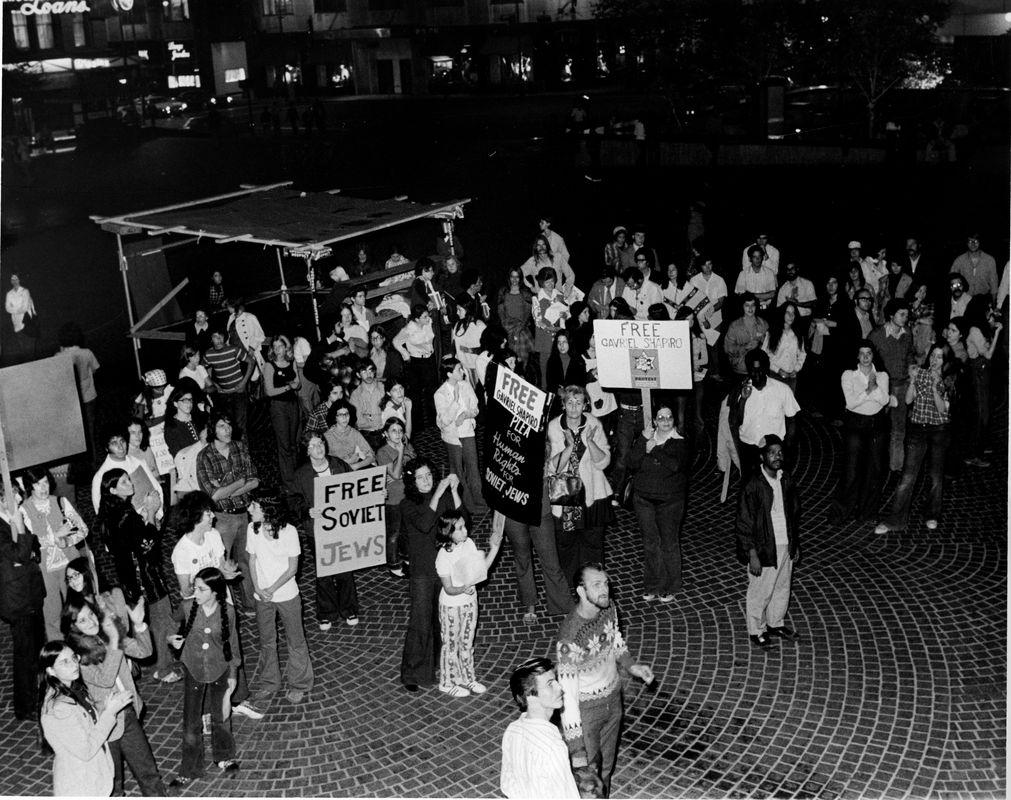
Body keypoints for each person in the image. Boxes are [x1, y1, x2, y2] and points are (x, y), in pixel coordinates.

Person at [556, 564, 654, 797]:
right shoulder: (570, 637)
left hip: (613, 702)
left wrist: (632, 665)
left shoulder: (609, 607)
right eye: (596, 585)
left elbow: (615, 640)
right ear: (581, 591)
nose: (605, 590)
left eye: (606, 583)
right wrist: (577, 749)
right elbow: (567, 697)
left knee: (606, 769)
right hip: (586, 713)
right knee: (588, 779)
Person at [63, 596, 168, 796]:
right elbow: (105, 679)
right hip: (103, 723)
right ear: (74, 626)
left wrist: (139, 624)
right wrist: (113, 642)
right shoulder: (77, 655)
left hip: (127, 714)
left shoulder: (108, 633)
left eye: (92, 614)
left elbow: (144, 651)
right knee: (113, 784)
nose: (92, 621)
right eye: (83, 620)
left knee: (149, 773)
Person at [167, 567, 242, 784]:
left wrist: (233, 674)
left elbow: (233, 644)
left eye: (201, 589)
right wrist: (171, 638)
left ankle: (224, 756)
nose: (195, 593)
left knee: (221, 717)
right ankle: (190, 768)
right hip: (194, 669)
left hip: (220, 668)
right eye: (195, 588)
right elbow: (170, 625)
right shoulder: (187, 606)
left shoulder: (227, 611)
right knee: (191, 722)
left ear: (215, 592)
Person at [874, 344, 960, 534]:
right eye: (933, 356)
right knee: (907, 475)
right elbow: (908, 401)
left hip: (939, 429)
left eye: (940, 357)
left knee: (935, 475)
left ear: (945, 361)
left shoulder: (949, 379)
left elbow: (942, 409)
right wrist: (913, 381)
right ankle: (895, 520)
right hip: (918, 428)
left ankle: (932, 514)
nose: (935, 360)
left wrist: (936, 387)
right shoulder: (920, 373)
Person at [38, 641, 134, 797]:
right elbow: (86, 750)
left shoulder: (72, 688)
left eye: (74, 658)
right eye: (65, 662)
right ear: (51, 670)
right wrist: (110, 713)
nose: (74, 664)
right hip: (80, 782)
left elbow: (88, 724)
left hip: (91, 774)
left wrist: (106, 708)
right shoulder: (59, 710)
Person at [400, 460, 463, 692]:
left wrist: (454, 491)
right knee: (420, 621)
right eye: (420, 477)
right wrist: (438, 493)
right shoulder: (407, 505)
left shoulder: (443, 497)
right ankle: (412, 672)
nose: (426, 480)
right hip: (422, 572)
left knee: (441, 620)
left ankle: (436, 664)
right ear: (412, 482)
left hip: (443, 569)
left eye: (429, 475)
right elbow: (426, 523)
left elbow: (461, 518)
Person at [245, 501, 313, 707]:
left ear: (267, 510)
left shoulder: (289, 531)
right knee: (266, 640)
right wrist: (257, 588)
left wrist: (272, 589)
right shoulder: (252, 528)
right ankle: (269, 681)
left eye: (254, 507)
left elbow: (293, 568)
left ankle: (299, 683)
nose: (249, 510)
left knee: (295, 640)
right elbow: (252, 560)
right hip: (262, 596)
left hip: (286, 594)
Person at [735, 435, 801, 650]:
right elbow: (744, 522)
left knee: (782, 587)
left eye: (780, 452)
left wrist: (795, 543)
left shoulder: (786, 479)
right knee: (761, 590)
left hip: (784, 544)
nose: (777, 456)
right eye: (771, 453)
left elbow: (793, 513)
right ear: (762, 456)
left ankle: (775, 622)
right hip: (764, 547)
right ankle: (756, 629)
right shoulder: (753, 485)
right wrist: (751, 553)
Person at [547, 386, 612, 586]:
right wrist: (569, 447)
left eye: (578, 403)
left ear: (585, 405)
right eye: (570, 403)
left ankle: (594, 586)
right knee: (566, 545)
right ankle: (570, 588)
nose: (574, 407)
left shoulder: (594, 424)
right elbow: (553, 467)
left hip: (592, 495)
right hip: (565, 495)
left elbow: (603, 462)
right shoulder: (553, 427)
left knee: (593, 544)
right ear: (563, 405)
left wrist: (591, 443)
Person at [434, 511, 504, 697]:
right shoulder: (443, 556)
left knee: (466, 642)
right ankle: (447, 682)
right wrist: (463, 588)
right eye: (460, 528)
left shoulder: (469, 544)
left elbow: (480, 571)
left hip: (470, 603)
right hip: (451, 606)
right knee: (451, 644)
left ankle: (466, 678)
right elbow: (448, 588)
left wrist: (494, 549)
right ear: (448, 532)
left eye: (465, 526)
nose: (465, 531)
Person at [294, 435, 360, 629]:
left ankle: (349, 608)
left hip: (341, 526)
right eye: (313, 445)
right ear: (307, 451)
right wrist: (306, 511)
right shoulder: (301, 474)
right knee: (324, 570)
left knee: (345, 568)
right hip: (316, 530)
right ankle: (326, 611)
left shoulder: (339, 465)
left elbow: (356, 487)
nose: (318, 448)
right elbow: (292, 499)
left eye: (320, 443)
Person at [196, 410, 259, 611]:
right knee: (220, 564)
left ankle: (251, 605)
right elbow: (212, 495)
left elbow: (255, 480)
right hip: (222, 518)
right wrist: (240, 482)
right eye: (222, 426)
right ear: (212, 430)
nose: (228, 429)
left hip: (243, 513)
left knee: (247, 561)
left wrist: (228, 489)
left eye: (229, 425)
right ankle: (223, 609)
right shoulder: (204, 456)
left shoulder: (240, 447)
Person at [20, 467, 91, 641]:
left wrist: (67, 541)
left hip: (70, 566)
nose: (43, 488)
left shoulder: (60, 502)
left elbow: (83, 529)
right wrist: (55, 537)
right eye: (37, 484)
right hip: (45, 571)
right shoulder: (23, 510)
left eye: (45, 482)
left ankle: (86, 645)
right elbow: (28, 546)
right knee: (51, 616)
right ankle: (60, 650)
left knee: (79, 608)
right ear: (30, 486)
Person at [628, 403, 689, 604]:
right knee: (650, 544)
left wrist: (653, 450)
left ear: (674, 420)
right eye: (660, 418)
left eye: (668, 417)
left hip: (670, 501)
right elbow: (632, 462)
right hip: (644, 499)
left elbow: (675, 465)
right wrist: (643, 441)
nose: (665, 421)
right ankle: (652, 584)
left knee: (669, 544)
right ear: (654, 421)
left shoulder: (679, 442)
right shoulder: (646, 437)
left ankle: (671, 585)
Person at [500, 657, 580, 799]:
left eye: (556, 680)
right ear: (530, 696)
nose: (560, 687)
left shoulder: (512, 730)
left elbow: (508, 784)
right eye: (550, 684)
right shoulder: (553, 748)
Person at [830, 341, 891, 524]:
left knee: (875, 469)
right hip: (855, 425)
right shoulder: (849, 375)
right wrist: (869, 390)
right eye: (862, 353)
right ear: (857, 356)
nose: (865, 357)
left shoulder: (882, 375)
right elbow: (850, 403)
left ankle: (868, 512)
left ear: (873, 356)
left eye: (869, 353)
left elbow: (884, 400)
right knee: (851, 469)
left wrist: (873, 390)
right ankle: (842, 512)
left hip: (877, 425)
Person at [1, 485, 45, 721]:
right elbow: (17, 554)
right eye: (13, 494)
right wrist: (19, 530)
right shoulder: (5, 525)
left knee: (36, 647)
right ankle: (25, 705)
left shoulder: (12, 518)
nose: (19, 497)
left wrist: (26, 550)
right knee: (24, 653)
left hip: (31, 591)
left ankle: (38, 694)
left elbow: (33, 547)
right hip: (16, 597)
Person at [728, 348, 800, 479]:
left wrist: (787, 449)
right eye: (752, 370)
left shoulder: (783, 390)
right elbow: (735, 421)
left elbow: (792, 421)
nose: (756, 375)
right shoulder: (740, 390)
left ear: (766, 369)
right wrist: (743, 399)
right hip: (749, 448)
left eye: (760, 370)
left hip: (774, 450)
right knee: (750, 487)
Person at [434, 357, 487, 516]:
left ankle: (480, 501)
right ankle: (467, 505)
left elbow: (476, 408)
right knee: (458, 471)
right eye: (459, 369)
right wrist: (456, 401)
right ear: (449, 373)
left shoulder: (466, 385)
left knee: (473, 469)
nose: (463, 372)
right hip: (452, 437)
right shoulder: (440, 394)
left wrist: (465, 414)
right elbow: (443, 421)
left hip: (468, 432)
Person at [869, 299, 916, 472]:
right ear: (891, 315)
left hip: (902, 385)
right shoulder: (877, 335)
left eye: (906, 314)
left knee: (899, 429)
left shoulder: (907, 333)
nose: (905, 318)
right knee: (878, 426)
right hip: (883, 387)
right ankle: (874, 464)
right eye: (901, 314)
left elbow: (910, 354)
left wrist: (912, 368)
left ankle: (896, 466)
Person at [962, 296, 1003, 467]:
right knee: (981, 412)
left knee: (985, 410)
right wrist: (997, 333)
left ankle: (980, 446)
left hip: (983, 371)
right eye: (987, 308)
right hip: (979, 371)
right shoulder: (975, 330)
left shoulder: (979, 328)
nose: (990, 311)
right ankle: (973, 453)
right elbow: (987, 354)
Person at [262, 335, 301, 509]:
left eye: (281, 346)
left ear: (286, 348)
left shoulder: (292, 362)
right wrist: (288, 386)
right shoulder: (269, 366)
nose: (278, 349)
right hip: (278, 407)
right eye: (275, 347)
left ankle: (296, 478)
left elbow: (298, 384)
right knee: (284, 446)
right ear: (272, 349)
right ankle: (288, 484)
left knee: (294, 444)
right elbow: (269, 391)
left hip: (293, 404)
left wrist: (294, 385)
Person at [376, 418, 416, 578]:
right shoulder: (383, 452)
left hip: (408, 495)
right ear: (385, 433)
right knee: (394, 532)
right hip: (393, 498)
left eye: (400, 430)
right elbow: (396, 474)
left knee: (407, 529)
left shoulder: (407, 446)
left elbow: (414, 466)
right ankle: (393, 563)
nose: (398, 434)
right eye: (393, 430)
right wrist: (400, 453)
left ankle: (406, 557)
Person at [57, 322, 100, 465]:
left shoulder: (58, 356)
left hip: (70, 401)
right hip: (89, 398)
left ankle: (77, 465)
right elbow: (95, 369)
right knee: (90, 432)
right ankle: (93, 462)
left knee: (74, 434)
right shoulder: (86, 353)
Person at [393, 304, 438, 433]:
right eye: (424, 317)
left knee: (432, 391)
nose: (427, 318)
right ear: (417, 319)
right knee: (416, 394)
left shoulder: (428, 322)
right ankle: (417, 426)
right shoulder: (409, 329)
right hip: (416, 362)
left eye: (427, 315)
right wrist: (405, 354)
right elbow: (396, 342)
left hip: (429, 360)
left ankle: (433, 421)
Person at [203, 329, 254, 436]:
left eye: (221, 336)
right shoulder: (208, 354)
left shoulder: (233, 349)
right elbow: (203, 369)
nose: (219, 339)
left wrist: (244, 383)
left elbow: (251, 362)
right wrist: (214, 384)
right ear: (211, 339)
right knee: (227, 426)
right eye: (215, 337)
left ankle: (243, 451)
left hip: (239, 393)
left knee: (241, 427)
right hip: (223, 394)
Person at [688, 254, 728, 375]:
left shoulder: (719, 280)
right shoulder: (694, 280)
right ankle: (700, 373)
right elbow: (691, 300)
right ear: (700, 266)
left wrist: (709, 313)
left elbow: (721, 301)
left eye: (710, 264)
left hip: (714, 319)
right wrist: (701, 316)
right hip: (697, 319)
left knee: (713, 347)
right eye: (705, 265)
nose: (708, 267)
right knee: (699, 346)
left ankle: (715, 373)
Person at [532, 267, 570, 388]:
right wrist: (550, 328)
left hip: (560, 337)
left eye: (552, 281)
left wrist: (566, 315)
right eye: (547, 282)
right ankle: (546, 394)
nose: (550, 284)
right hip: (545, 338)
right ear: (541, 282)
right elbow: (537, 321)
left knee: (562, 367)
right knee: (545, 370)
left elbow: (568, 313)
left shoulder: (560, 295)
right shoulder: (536, 298)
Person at [497, 268, 536, 376]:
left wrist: (519, 330)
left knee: (522, 360)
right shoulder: (503, 291)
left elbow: (528, 314)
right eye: (512, 276)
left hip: (521, 330)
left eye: (517, 276)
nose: (514, 279)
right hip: (507, 329)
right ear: (509, 278)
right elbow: (501, 312)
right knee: (508, 360)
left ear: (520, 278)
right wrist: (506, 329)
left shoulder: (525, 293)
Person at [762, 302, 806, 393]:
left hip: (791, 377)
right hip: (774, 376)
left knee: (788, 405)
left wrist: (796, 369)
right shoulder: (772, 333)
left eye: (793, 313)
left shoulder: (797, 334)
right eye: (787, 312)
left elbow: (802, 354)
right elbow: (764, 355)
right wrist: (778, 370)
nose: (791, 316)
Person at [724, 293, 770, 379]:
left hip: (759, 368)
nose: (750, 308)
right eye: (747, 305)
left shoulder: (763, 324)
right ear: (742, 306)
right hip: (741, 368)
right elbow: (727, 348)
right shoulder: (734, 326)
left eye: (753, 305)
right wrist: (745, 347)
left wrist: (761, 343)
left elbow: (770, 346)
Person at [323, 401, 376, 470]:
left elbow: (371, 456)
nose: (345, 417)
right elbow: (325, 462)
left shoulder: (354, 433)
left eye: (347, 414)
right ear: (335, 417)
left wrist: (356, 466)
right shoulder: (327, 436)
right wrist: (349, 461)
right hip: (336, 471)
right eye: (340, 415)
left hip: (354, 468)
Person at [349, 357, 385, 448]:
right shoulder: (355, 395)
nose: (368, 374)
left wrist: (373, 419)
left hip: (385, 430)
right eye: (364, 371)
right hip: (367, 434)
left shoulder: (383, 388)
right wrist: (377, 422)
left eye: (370, 370)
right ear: (358, 375)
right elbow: (359, 421)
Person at [950, 233, 998, 300]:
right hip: (964, 300)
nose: (973, 244)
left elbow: (994, 284)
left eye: (976, 241)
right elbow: (951, 281)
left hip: (983, 299)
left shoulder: (990, 260)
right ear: (966, 243)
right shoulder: (959, 260)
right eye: (970, 241)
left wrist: (994, 303)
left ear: (980, 242)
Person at [545, 330, 587, 403]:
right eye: (559, 343)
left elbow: (582, 383)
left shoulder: (579, 360)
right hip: (557, 401)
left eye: (564, 342)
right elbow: (549, 383)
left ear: (569, 342)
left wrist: (569, 393)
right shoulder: (552, 360)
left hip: (574, 400)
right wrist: (558, 390)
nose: (561, 346)